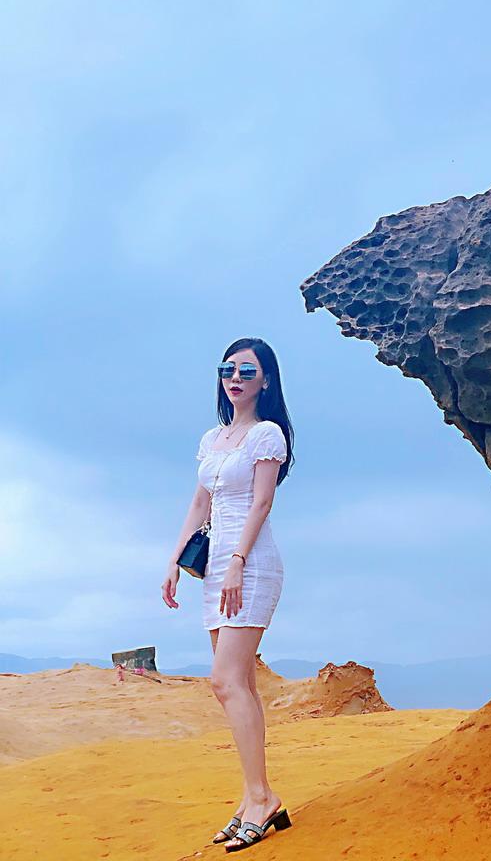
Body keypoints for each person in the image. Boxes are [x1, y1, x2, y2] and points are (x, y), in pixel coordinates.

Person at [162, 336, 295, 851]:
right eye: (227, 370)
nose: (235, 378)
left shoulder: (267, 435)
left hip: (251, 563)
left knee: (224, 681)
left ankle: (261, 798)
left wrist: (238, 561)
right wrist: (174, 561)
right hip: (216, 565)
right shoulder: (212, 438)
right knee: (241, 683)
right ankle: (252, 797)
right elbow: (199, 505)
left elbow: (261, 503)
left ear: (266, 381)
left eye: (246, 371)